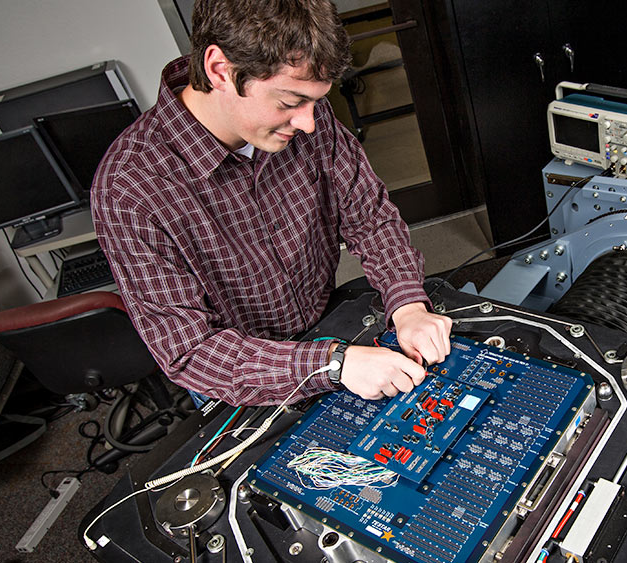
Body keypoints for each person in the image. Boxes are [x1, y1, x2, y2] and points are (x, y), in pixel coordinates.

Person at [91, 0, 452, 406]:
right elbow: (190, 351)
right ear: (219, 70)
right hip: (236, 379)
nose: (309, 122)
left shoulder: (306, 115)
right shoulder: (129, 188)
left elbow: (369, 218)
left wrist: (407, 305)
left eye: (315, 101)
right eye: (289, 102)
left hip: (328, 325)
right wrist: (332, 364)